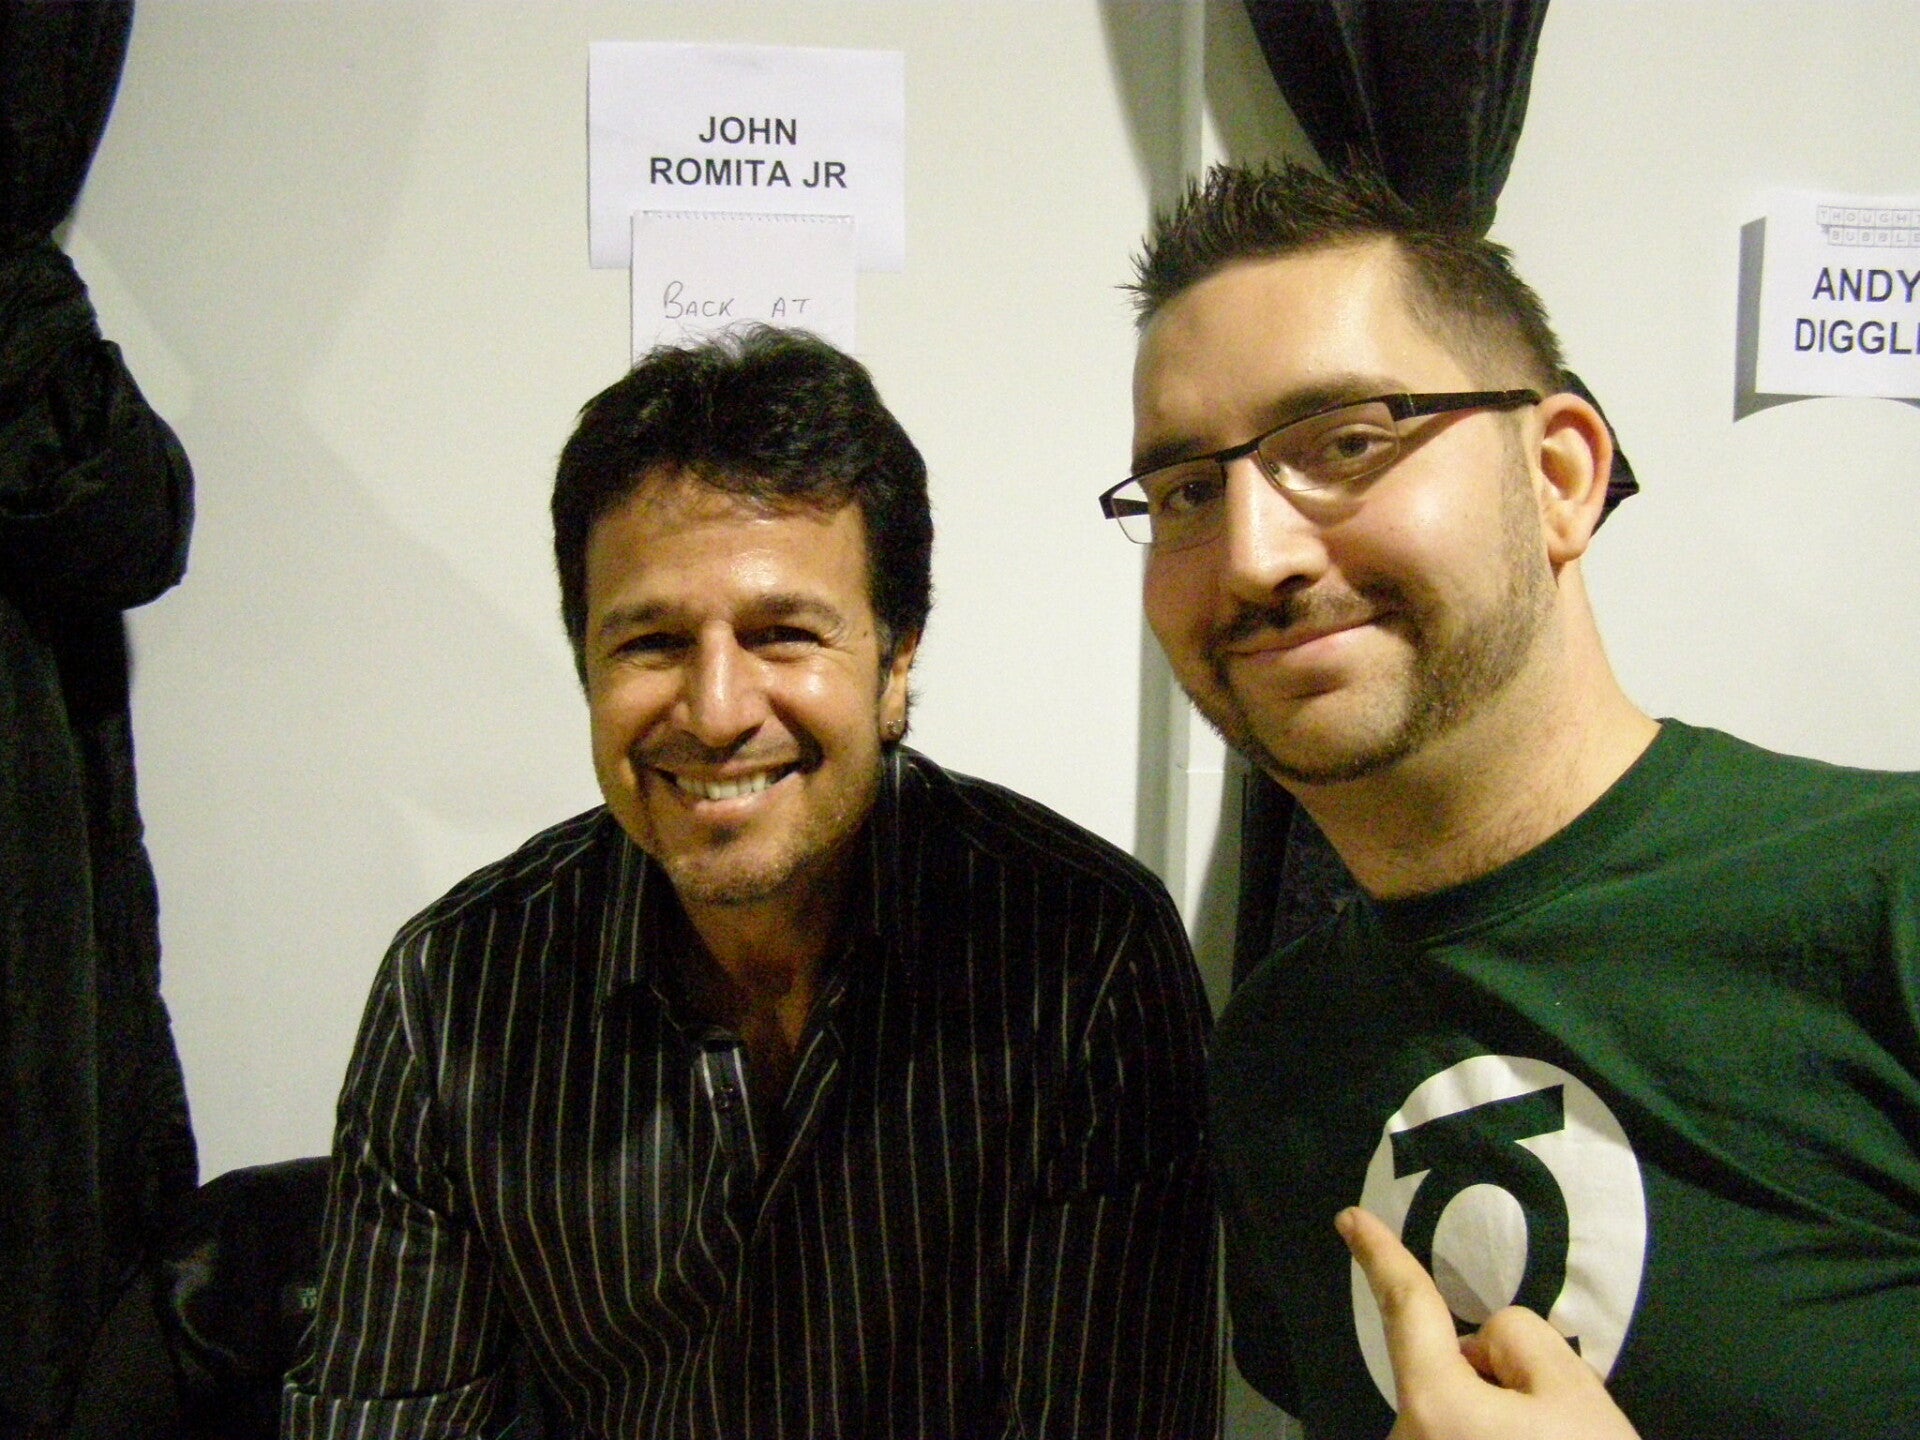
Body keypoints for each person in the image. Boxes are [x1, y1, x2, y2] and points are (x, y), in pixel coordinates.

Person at [1107, 162, 1920, 1439]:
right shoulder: (1275, 1056)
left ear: (1559, 476)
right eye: (1189, 493)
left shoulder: (1890, 900)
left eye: (1347, 442)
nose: (1255, 557)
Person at [285, 327, 1219, 1439]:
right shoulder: (455, 990)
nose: (718, 710)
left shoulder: (1085, 959)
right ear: (586, 665)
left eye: (783, 635)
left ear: (896, 662)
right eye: (650, 643)